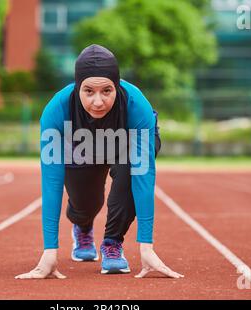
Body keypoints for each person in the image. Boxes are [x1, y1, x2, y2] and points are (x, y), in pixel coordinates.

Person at [16, 44, 183, 279]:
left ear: (117, 86)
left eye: (107, 91)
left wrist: (147, 246)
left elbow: (144, 177)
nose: (97, 102)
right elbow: (51, 182)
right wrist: (49, 250)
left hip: (126, 143)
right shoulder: (56, 111)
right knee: (86, 204)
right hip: (80, 145)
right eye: (88, 91)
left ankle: (112, 243)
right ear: (77, 87)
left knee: (131, 172)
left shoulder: (137, 106)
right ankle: (83, 225)